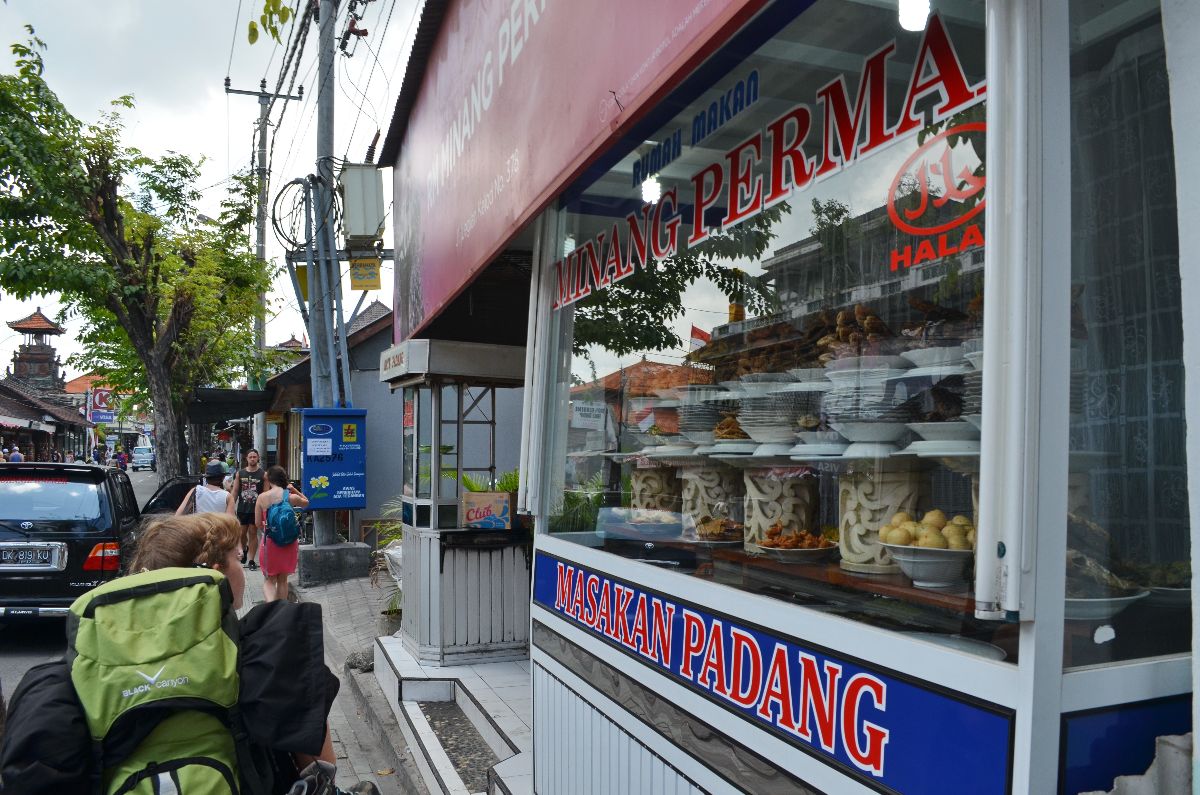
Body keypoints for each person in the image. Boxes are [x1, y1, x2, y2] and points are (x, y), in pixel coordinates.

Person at [0, 511, 378, 794]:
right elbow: (319, 771)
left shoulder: (77, 670)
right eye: (237, 558)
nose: (242, 569)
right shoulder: (265, 648)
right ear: (216, 570)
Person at [255, 465, 308, 602]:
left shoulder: (262, 497)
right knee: (283, 580)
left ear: (269, 479)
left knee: (269, 580)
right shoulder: (290, 497)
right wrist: (294, 489)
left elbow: (257, 523)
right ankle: (282, 609)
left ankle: (272, 608)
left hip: (270, 541)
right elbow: (306, 503)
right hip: (289, 542)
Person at [232, 448, 266, 571]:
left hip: (256, 510)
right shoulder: (240, 473)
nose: (252, 459)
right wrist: (230, 505)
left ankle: (251, 560)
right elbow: (235, 491)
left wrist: (264, 510)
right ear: (246, 458)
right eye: (250, 457)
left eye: (254, 457)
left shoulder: (263, 474)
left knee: (253, 532)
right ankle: (244, 548)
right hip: (242, 508)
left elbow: (265, 493)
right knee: (241, 533)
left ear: (258, 458)